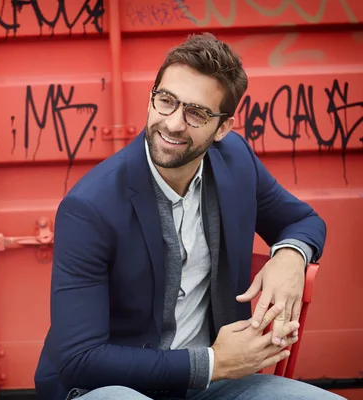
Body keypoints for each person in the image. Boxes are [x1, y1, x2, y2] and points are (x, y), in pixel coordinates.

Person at [33, 33, 342, 400]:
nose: (174, 123)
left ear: (223, 128)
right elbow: (79, 359)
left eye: (196, 112)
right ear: (151, 99)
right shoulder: (90, 208)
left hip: (210, 387)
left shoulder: (236, 162)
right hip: (111, 388)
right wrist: (212, 362)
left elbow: (305, 221)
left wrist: (290, 256)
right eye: (166, 101)